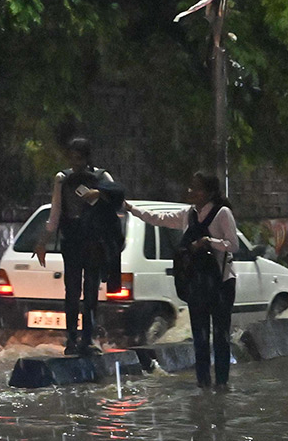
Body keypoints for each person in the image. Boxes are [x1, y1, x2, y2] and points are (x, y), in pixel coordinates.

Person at [125, 172, 238, 390]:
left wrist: (209, 242)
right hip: (197, 283)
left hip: (222, 283)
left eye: (196, 188)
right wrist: (131, 209)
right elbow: (159, 218)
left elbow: (233, 245)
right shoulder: (188, 214)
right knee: (200, 336)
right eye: (191, 187)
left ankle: (222, 383)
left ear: (209, 192)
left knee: (221, 335)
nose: (190, 192)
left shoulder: (222, 213)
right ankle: (203, 384)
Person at [34, 137, 124, 355]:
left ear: (87, 157)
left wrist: (100, 194)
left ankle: (88, 339)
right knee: (72, 290)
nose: (75, 162)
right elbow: (55, 213)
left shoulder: (102, 177)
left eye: (79, 157)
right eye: (72, 157)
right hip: (71, 240)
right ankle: (71, 339)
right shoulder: (62, 179)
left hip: (93, 241)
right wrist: (43, 242)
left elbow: (117, 201)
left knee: (91, 289)